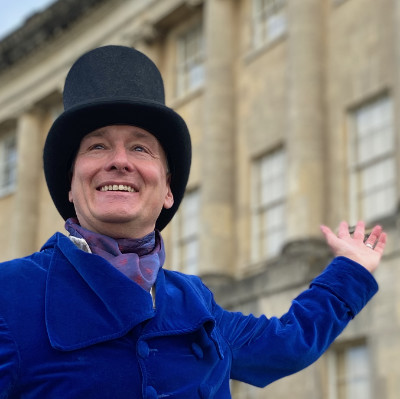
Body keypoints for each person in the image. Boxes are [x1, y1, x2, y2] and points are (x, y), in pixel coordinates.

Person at [0, 45, 386, 399]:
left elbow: (283, 346)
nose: (119, 161)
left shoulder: (194, 299)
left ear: (168, 190)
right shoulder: (10, 293)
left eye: (140, 147)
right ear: (70, 185)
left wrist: (349, 271)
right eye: (97, 146)